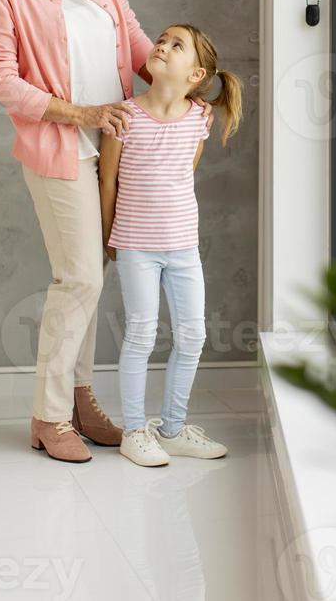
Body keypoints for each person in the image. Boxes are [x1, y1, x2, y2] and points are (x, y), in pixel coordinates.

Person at [0, 0, 214, 465]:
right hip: (59, 145)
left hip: (117, 146)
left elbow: (130, 34)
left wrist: (179, 86)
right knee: (78, 274)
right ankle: (49, 416)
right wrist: (78, 113)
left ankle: (80, 399)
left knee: (94, 276)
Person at [99, 23, 243, 466]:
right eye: (161, 39)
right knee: (141, 333)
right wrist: (109, 240)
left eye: (175, 45)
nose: (161, 45)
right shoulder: (124, 115)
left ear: (195, 74)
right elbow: (108, 181)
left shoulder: (199, 117)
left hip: (183, 248)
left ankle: (174, 428)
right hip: (136, 247)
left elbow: (185, 175)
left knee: (193, 334)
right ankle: (135, 431)